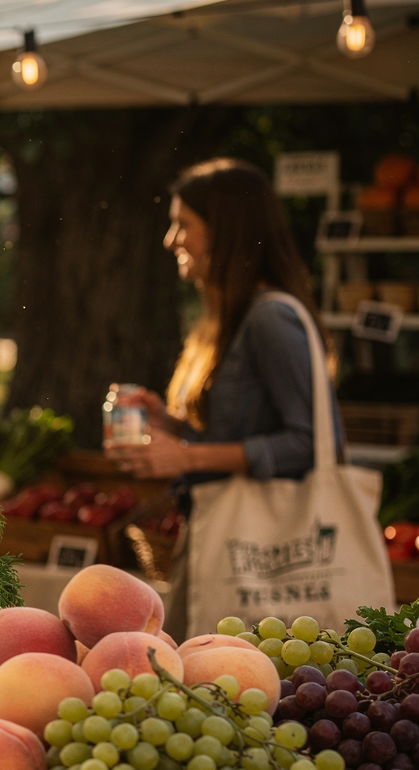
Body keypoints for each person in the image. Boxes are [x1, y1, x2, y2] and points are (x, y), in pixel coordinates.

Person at [107, 159, 339, 630]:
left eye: (183, 224)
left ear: (228, 230)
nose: (171, 239)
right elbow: (246, 424)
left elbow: (310, 442)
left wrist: (187, 458)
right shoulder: (229, 319)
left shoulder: (272, 319)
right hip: (219, 536)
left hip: (262, 553)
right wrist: (172, 424)